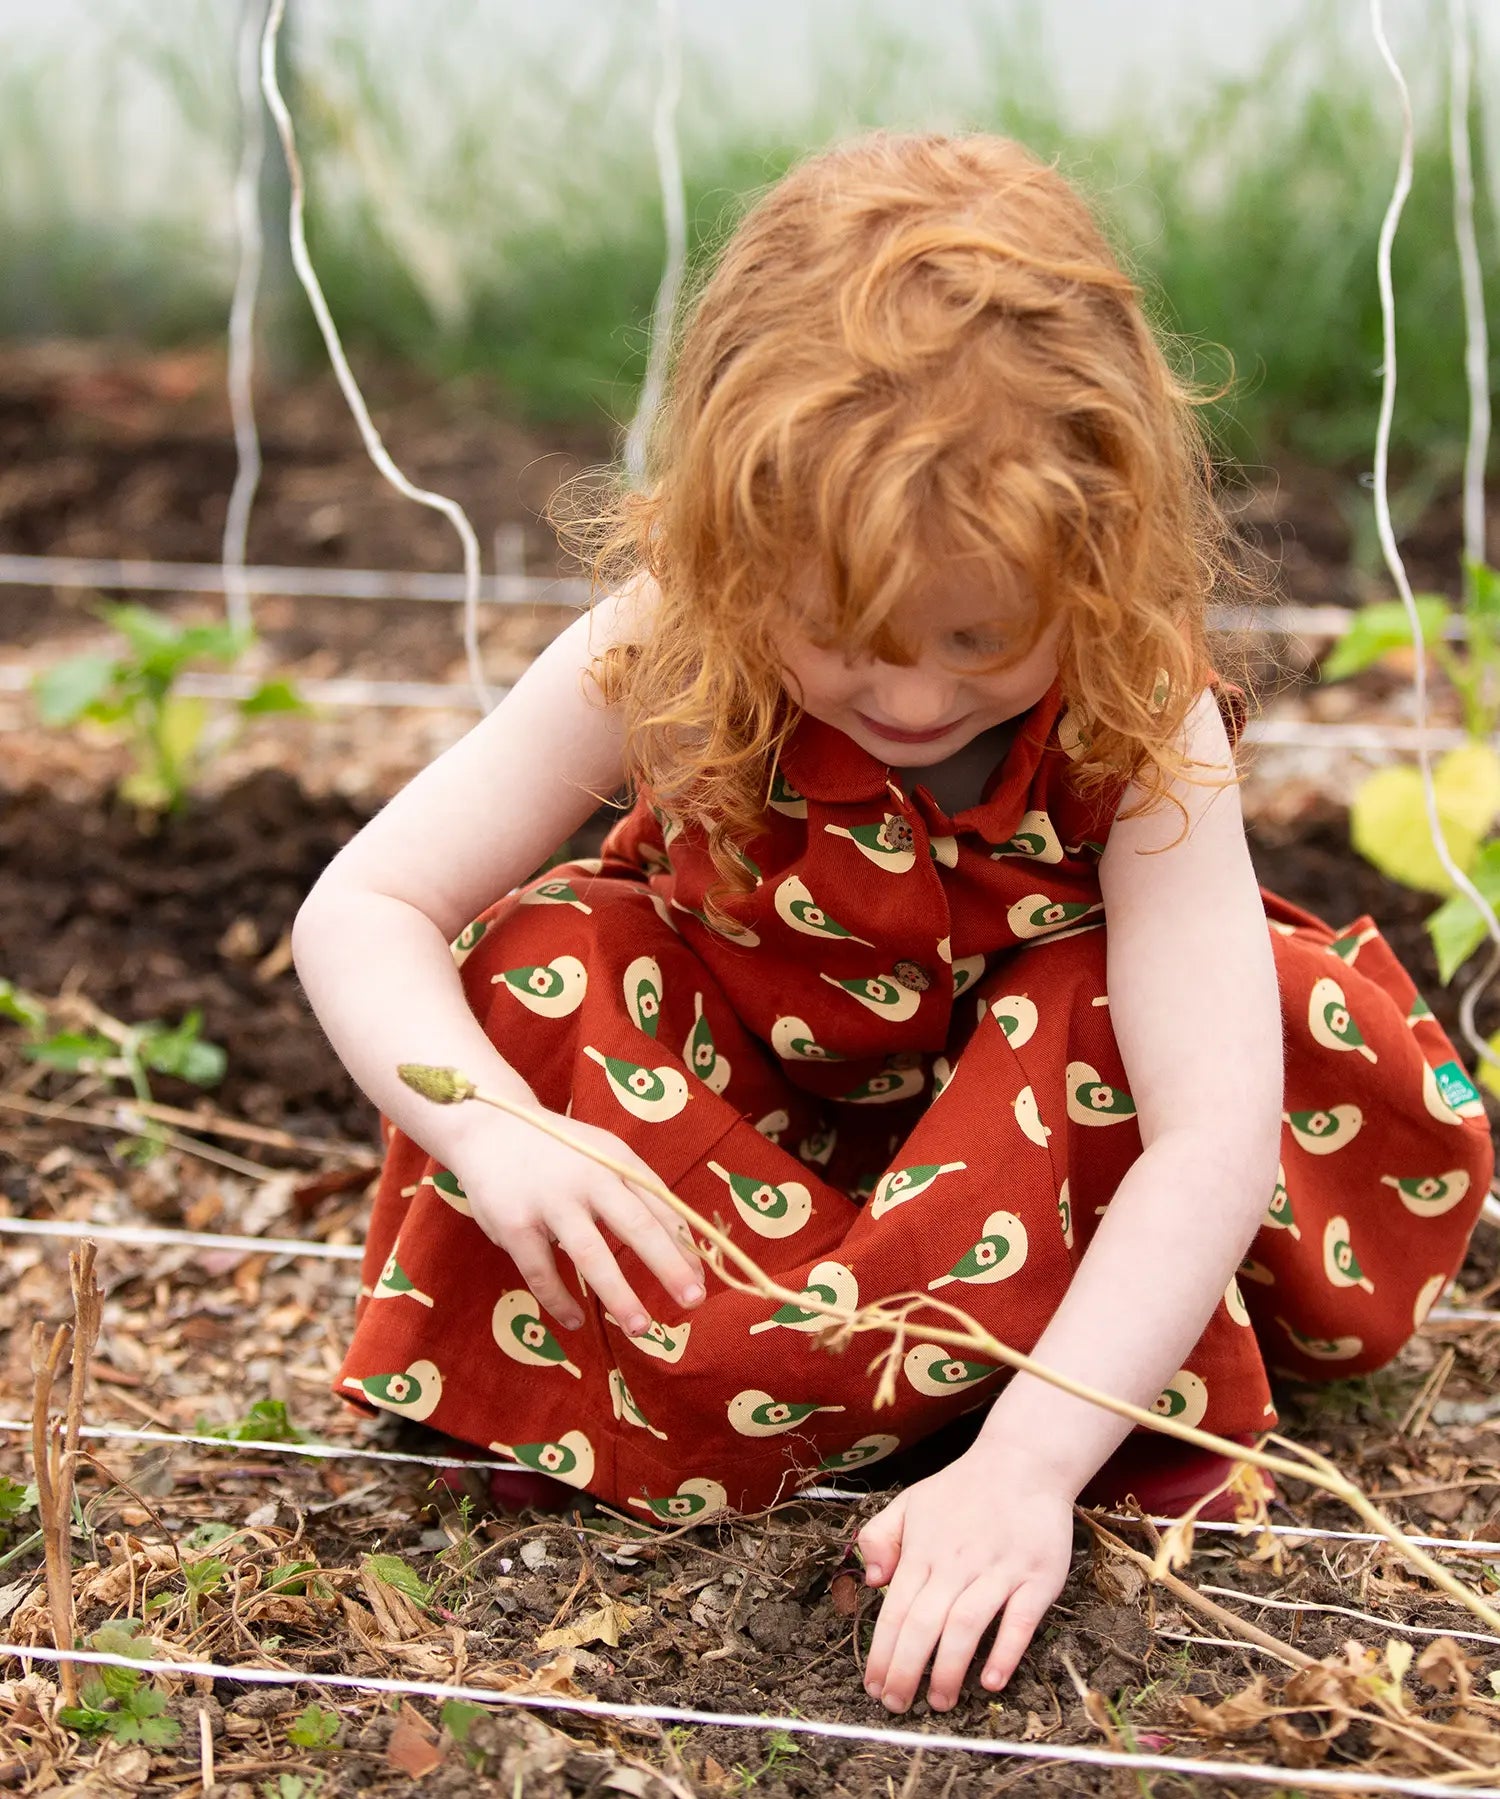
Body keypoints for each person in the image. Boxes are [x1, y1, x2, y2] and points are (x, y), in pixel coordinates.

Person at [292, 131, 1492, 1716]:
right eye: (845, 637)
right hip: (743, 1168)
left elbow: (1210, 1136)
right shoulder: (665, 644)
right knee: (544, 954)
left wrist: (1030, 1472)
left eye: (983, 639)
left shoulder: (1136, 710)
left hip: (1040, 1202)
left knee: (1110, 1013)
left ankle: (1011, 1420)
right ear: (728, 535)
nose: (915, 696)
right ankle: (701, 1362)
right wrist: (503, 1134)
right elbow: (366, 904)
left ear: (1101, 551)